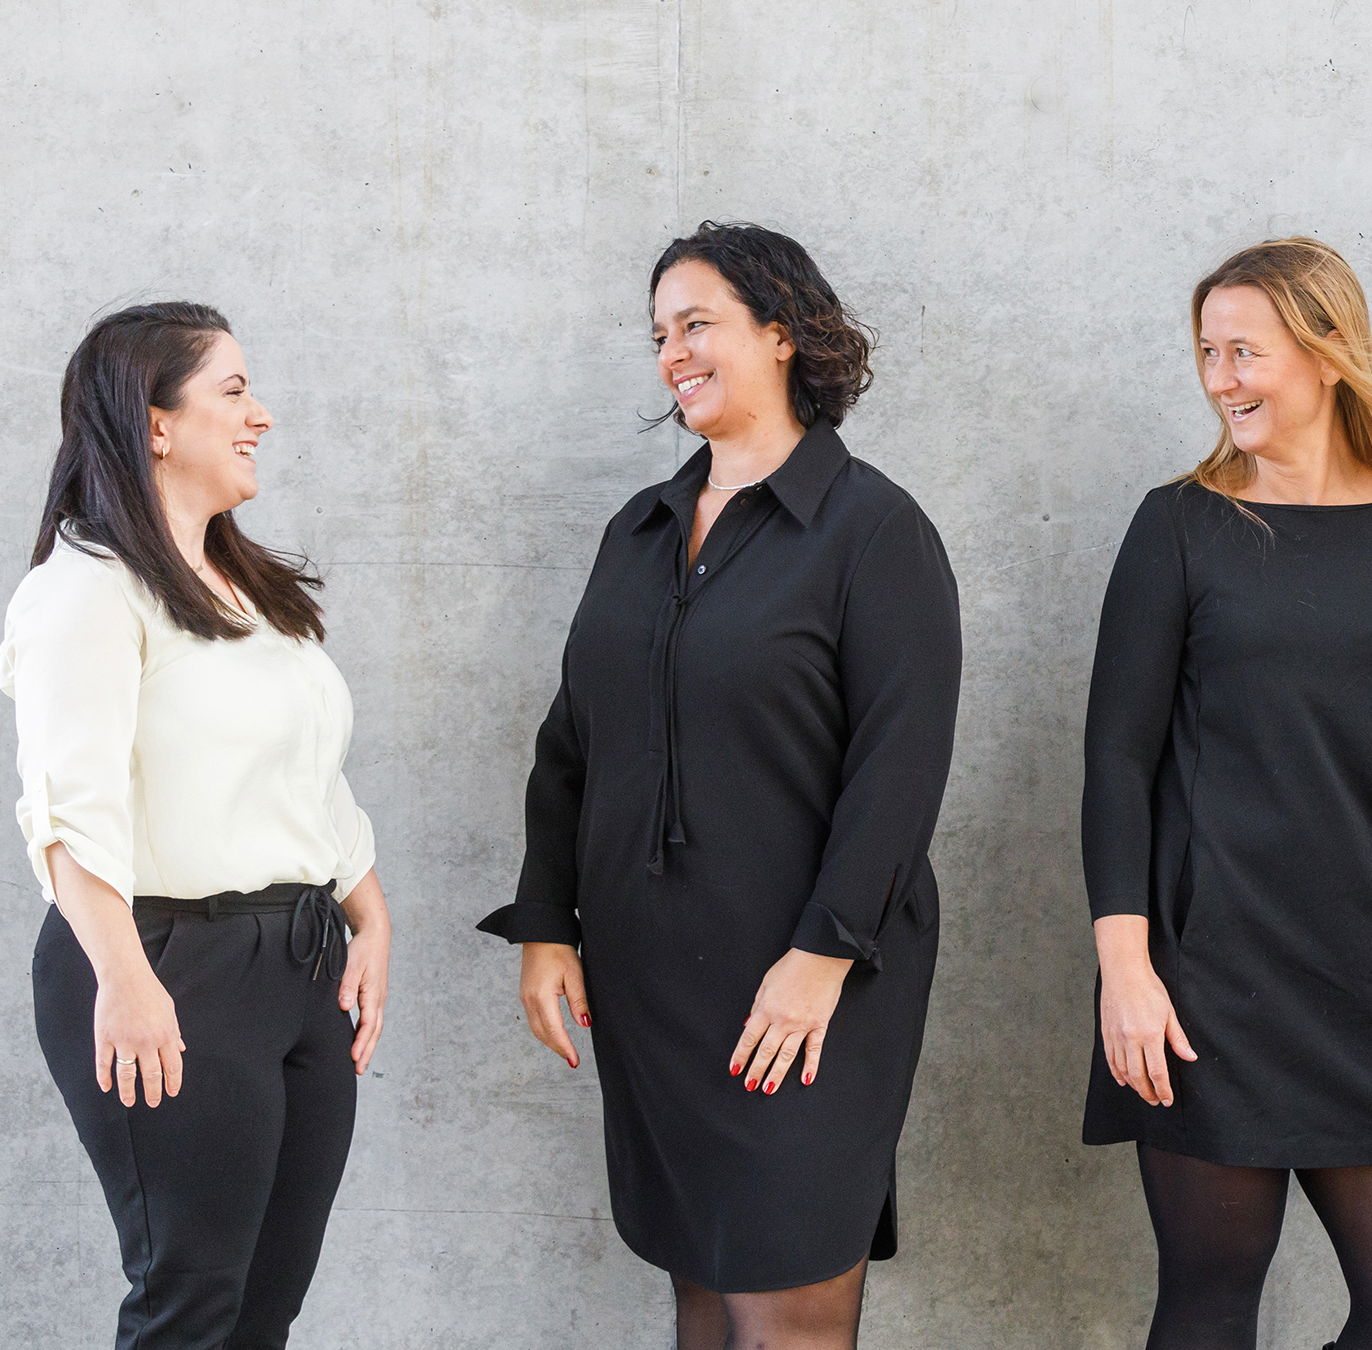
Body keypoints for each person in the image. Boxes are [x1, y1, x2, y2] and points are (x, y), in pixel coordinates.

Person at [475, 221, 960, 1350]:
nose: (672, 355)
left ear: (783, 333)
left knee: (788, 1311)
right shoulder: (639, 530)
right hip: (650, 982)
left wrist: (821, 957)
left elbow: (900, 769)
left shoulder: (874, 531)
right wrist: (546, 924)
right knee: (700, 1293)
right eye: (659, 335)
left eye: (697, 325)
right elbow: (572, 740)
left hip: (807, 982)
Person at [1082, 236, 1372, 1350]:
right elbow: (1117, 758)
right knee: (1212, 1294)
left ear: (1325, 354)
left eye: (1245, 352)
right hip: (1204, 971)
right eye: (1207, 353)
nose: (1221, 379)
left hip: (1363, 964)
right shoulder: (1181, 524)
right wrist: (1125, 970)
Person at [5, 301, 393, 1348]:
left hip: (300, 964)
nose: (261, 414)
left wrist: (370, 916)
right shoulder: (86, 592)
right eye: (234, 390)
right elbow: (68, 810)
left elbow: (309, 772)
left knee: (265, 1307)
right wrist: (126, 980)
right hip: (165, 963)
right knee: (191, 1302)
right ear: (157, 423)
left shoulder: (247, 589)